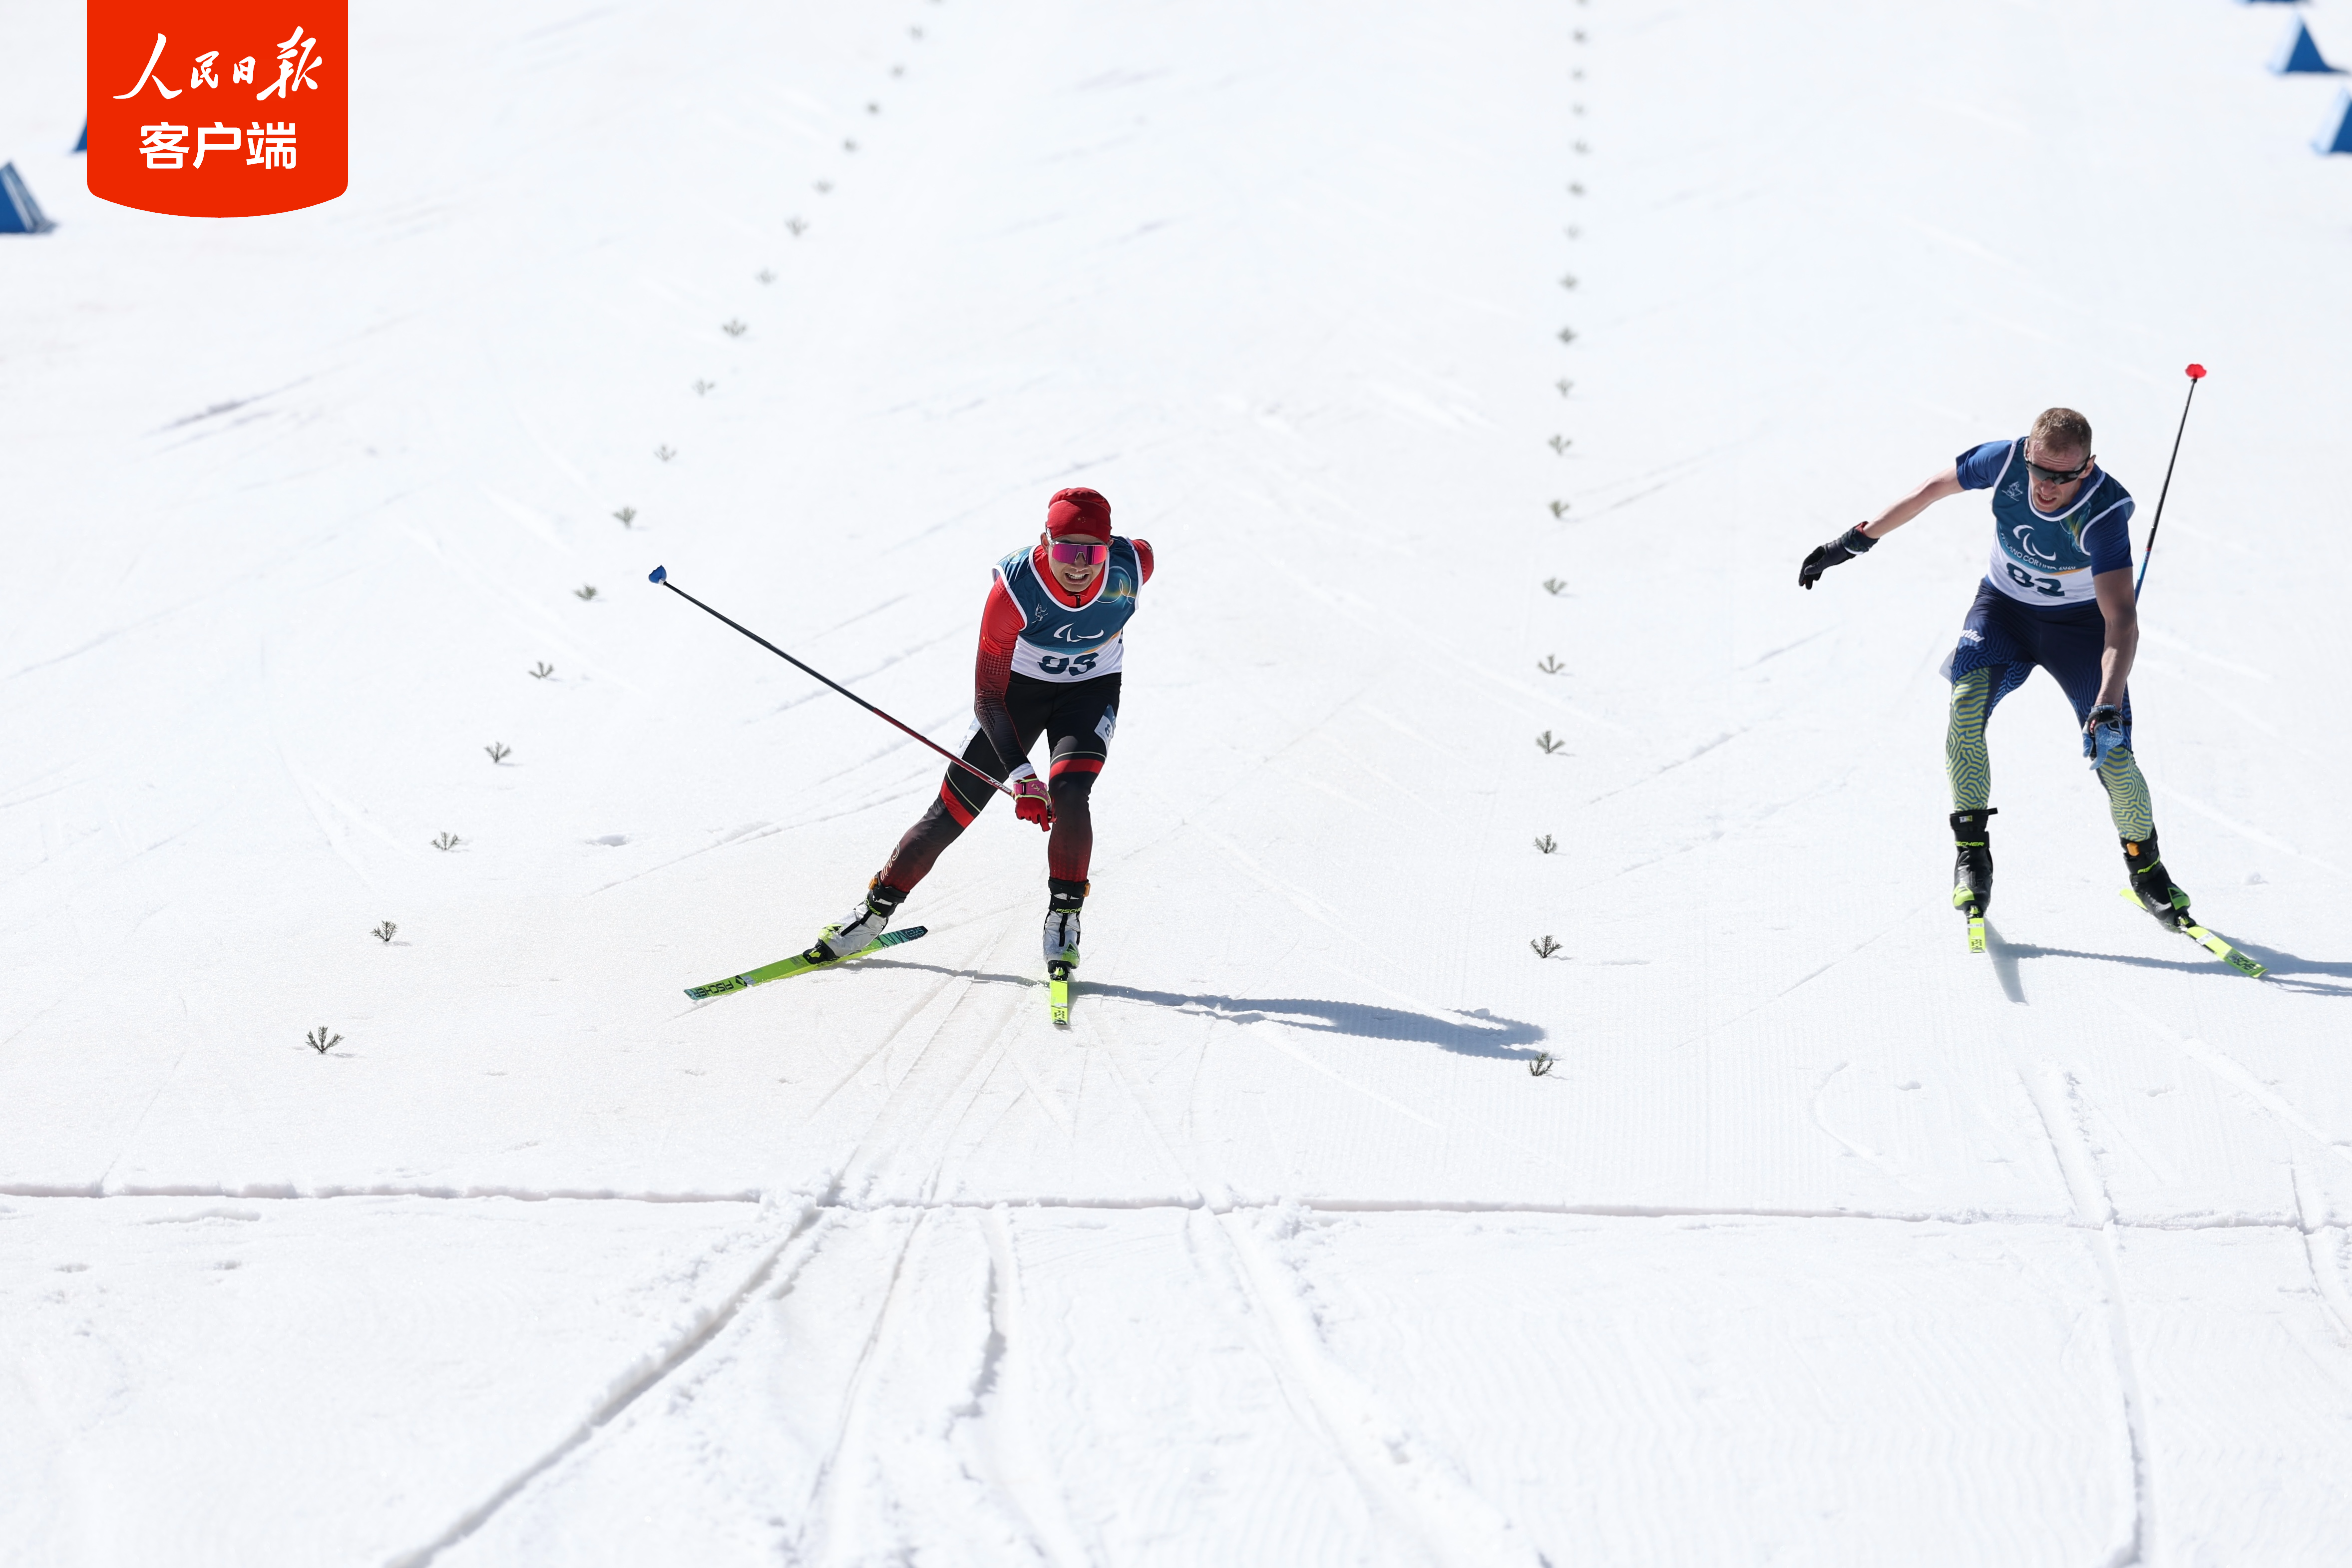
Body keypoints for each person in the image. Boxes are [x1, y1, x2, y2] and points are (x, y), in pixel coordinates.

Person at [1797, 407, 2194, 931]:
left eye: (2065, 476)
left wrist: (2107, 700)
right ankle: (1972, 856)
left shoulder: (2102, 513)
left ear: (2089, 465)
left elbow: (2122, 620)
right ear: (2027, 451)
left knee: (2112, 751)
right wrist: (1855, 539)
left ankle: (2147, 870)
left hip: (2079, 632)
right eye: (2041, 471)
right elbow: (1928, 491)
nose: (2049, 487)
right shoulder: (2004, 459)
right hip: (2002, 612)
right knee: (1963, 711)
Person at [808, 486, 1152, 977]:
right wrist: (1021, 776)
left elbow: (1139, 551)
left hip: (1090, 693)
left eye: (1092, 551)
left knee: (1072, 792)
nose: (1080, 564)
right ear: (1045, 542)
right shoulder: (1014, 591)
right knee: (950, 811)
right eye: (1067, 550)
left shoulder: (1133, 566)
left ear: (1108, 546)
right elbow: (989, 698)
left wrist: (1044, 783)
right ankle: (873, 912)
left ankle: (1064, 918)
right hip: (1017, 695)